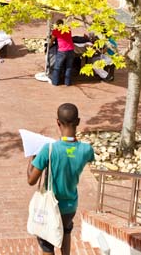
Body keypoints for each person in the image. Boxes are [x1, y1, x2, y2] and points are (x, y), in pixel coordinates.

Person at [27, 103, 95, 255]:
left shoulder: (48, 150)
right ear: (78, 121)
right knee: (66, 231)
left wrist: (33, 156)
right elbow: (75, 152)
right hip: (70, 206)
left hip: (51, 206)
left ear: (57, 122)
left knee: (47, 244)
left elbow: (31, 180)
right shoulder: (86, 150)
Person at [50, 19, 76, 86]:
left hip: (62, 51)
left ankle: (55, 82)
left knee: (57, 67)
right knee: (69, 67)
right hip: (71, 49)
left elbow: (52, 40)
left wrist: (49, 45)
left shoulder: (56, 30)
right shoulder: (68, 29)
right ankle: (67, 83)